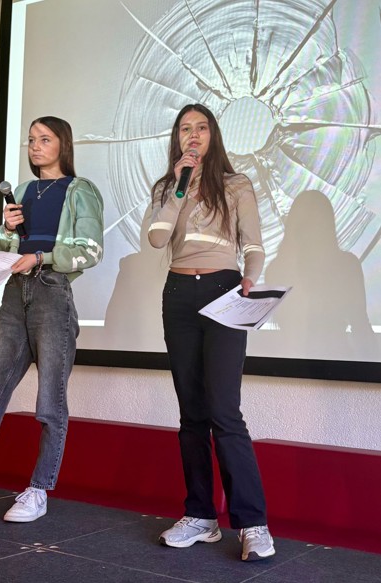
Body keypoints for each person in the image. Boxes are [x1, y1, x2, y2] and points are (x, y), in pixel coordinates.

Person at [148, 104, 275, 562]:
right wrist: (178, 187)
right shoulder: (168, 187)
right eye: (185, 129)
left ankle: (253, 523)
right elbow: (157, 238)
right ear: (177, 138)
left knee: (224, 411)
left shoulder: (236, 184)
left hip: (224, 291)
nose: (193, 135)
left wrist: (250, 278)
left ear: (213, 134)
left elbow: (254, 244)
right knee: (192, 414)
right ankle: (200, 516)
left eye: (201, 127)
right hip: (179, 294)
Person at [0, 116, 103, 522]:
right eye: (31, 140)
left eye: (45, 139)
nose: (35, 146)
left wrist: (42, 257)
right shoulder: (23, 191)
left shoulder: (80, 189)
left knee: (49, 403)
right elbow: (8, 246)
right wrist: (7, 230)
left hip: (51, 293)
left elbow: (92, 249)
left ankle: (39, 490)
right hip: (14, 295)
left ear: (64, 145)